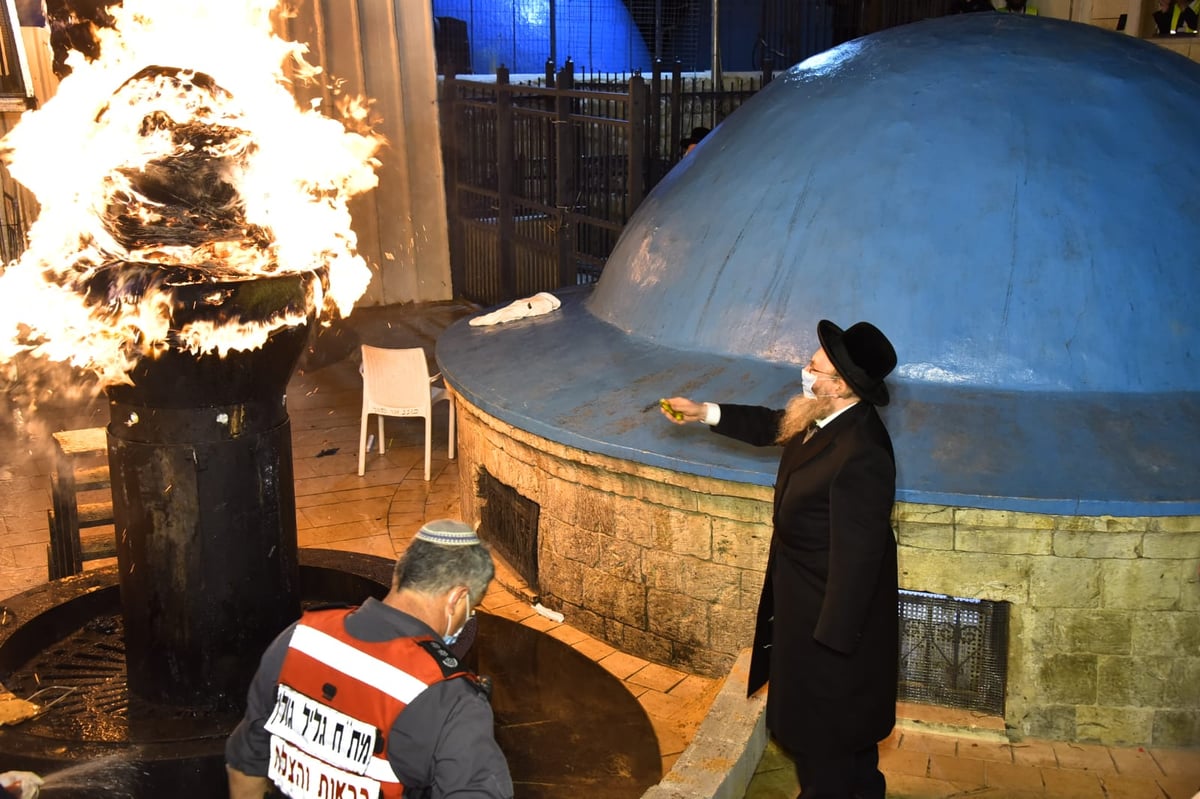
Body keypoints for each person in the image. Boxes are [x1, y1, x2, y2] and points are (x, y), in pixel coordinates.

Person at [660, 319, 899, 799]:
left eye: (815, 366)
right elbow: (773, 424)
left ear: (843, 386)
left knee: (826, 732)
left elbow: (859, 558)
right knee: (845, 739)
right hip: (802, 599)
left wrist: (831, 653)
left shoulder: (862, 452)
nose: (805, 370)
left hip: (829, 622)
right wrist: (704, 412)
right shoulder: (823, 418)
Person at [225, 519, 513, 799]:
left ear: (399, 575)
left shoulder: (299, 638)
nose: (468, 617)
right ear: (456, 598)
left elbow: (245, 762)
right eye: (471, 607)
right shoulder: (450, 698)